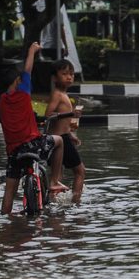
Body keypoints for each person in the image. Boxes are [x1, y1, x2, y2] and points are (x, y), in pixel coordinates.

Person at [0, 42, 67, 215]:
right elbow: (28, 69)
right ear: (17, 81)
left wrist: (2, 119)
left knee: (9, 194)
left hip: (14, 152)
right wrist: (32, 51)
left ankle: (5, 222)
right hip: (34, 145)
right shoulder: (23, 92)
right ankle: (54, 181)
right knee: (59, 141)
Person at [45, 59, 85, 203]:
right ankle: (76, 202)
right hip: (59, 139)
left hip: (63, 137)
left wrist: (70, 134)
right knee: (80, 171)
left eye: (71, 74)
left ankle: (52, 202)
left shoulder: (63, 94)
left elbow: (61, 122)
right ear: (55, 77)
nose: (69, 77)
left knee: (58, 174)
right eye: (64, 74)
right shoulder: (57, 94)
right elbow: (48, 115)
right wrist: (70, 114)